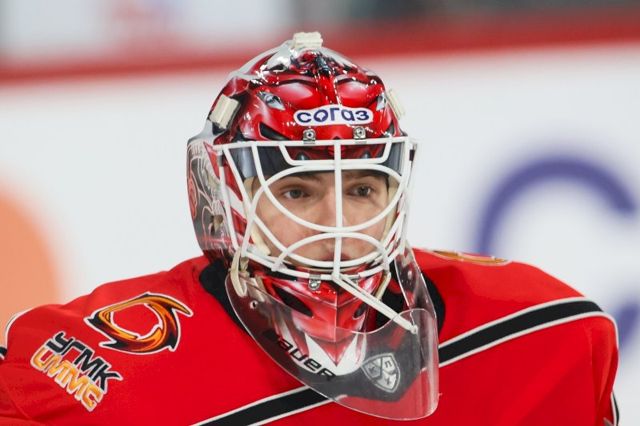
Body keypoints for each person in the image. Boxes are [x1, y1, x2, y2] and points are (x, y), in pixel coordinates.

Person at [0, 32, 619, 425]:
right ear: (227, 198)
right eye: (297, 191)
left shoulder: (550, 332)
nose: (338, 223)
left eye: (362, 189)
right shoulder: (97, 372)